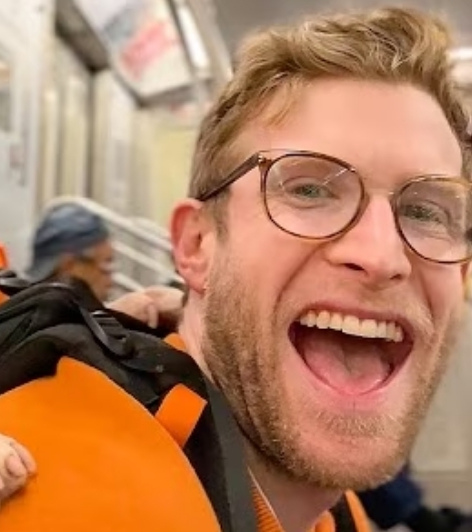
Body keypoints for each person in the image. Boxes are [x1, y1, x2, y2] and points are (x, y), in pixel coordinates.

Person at [166, 5, 471, 532]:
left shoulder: (325, 509)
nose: (381, 257)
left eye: (425, 211)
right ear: (197, 245)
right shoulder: (65, 493)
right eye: (309, 189)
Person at [27, 202, 185, 329]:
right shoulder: (44, 324)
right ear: (69, 266)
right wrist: (114, 316)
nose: (111, 280)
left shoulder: (22, 309)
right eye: (106, 264)